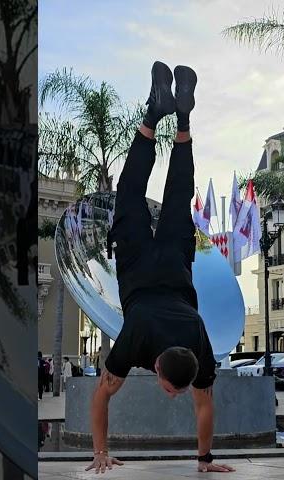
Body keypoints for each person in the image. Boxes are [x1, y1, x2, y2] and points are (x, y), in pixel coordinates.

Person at [86, 61, 235, 475]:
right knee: (131, 192)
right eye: (173, 391)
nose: (174, 396)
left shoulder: (197, 339)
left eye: (175, 390)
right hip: (138, 266)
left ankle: (181, 116)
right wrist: (100, 453)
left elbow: (203, 405)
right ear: (156, 368)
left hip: (173, 264)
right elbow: (102, 394)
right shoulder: (135, 341)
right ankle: (155, 113)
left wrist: (205, 459)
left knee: (177, 193)